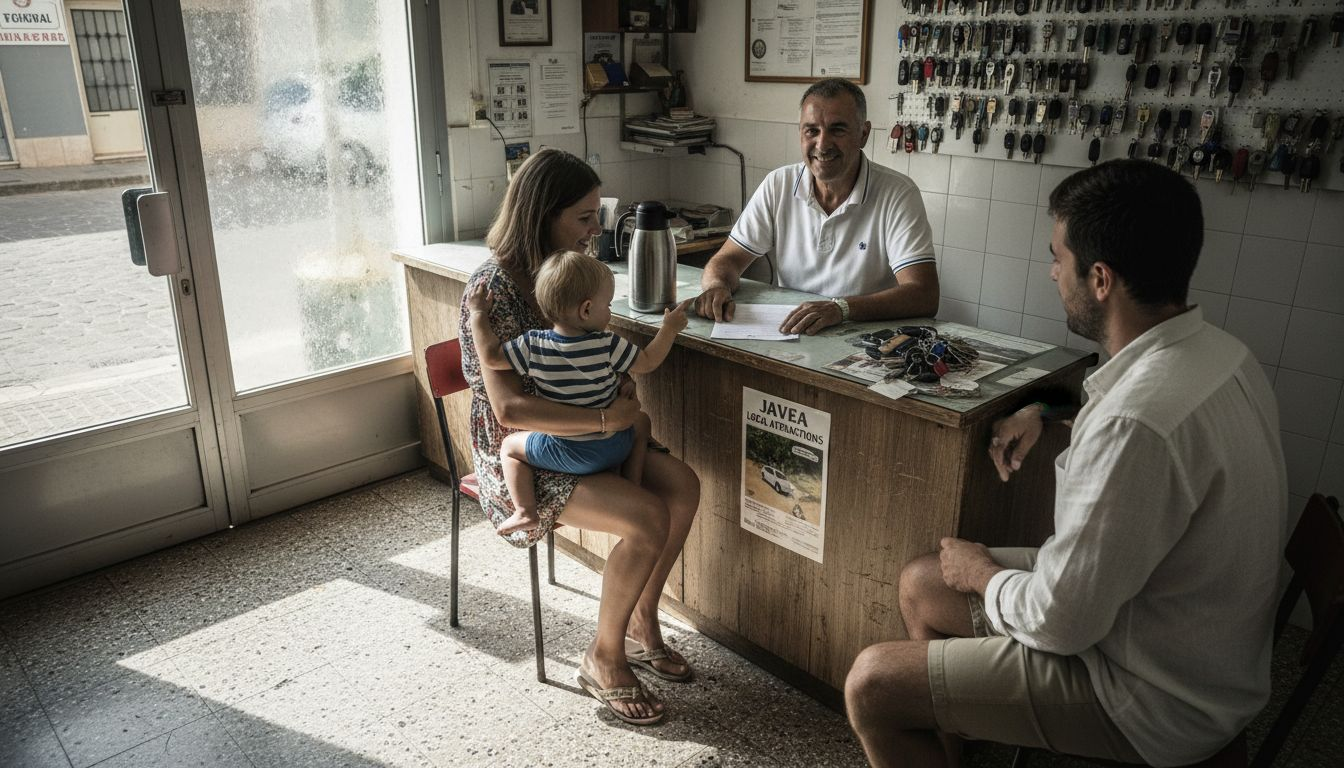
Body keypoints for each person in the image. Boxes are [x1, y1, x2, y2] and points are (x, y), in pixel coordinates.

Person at [843, 160, 1290, 767]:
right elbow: (1142, 436)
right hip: (1177, 627)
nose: (1053, 272)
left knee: (871, 684)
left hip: (1147, 695)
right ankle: (948, 735)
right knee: (923, 582)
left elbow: (1061, 623)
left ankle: (927, 711)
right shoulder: (1222, 355)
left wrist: (981, 574)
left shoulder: (1135, 425)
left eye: (1059, 257)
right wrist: (1045, 410)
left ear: (1100, 278)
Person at [460, 148, 700, 726]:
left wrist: (616, 399)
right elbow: (512, 407)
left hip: (593, 437)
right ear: (543, 214)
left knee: (684, 487)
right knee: (646, 518)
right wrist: (607, 420)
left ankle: (641, 620)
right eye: (585, 218)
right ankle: (604, 656)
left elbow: (594, 356)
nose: (596, 231)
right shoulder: (494, 287)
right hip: (522, 451)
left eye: (598, 216)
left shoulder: (575, 274)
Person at [464, 251, 690, 535]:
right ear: (586, 309)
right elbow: (647, 361)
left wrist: (478, 314)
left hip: (570, 455)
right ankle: (630, 483)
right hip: (615, 445)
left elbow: (491, 357)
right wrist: (669, 329)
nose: (609, 311)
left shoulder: (533, 346)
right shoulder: (608, 344)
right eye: (607, 304)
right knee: (641, 421)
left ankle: (525, 512)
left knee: (509, 449)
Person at [694, 78, 939, 336]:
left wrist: (840, 309)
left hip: (865, 343)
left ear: (863, 134)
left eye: (838, 130)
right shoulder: (778, 184)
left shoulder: (898, 193)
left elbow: (924, 294)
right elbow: (728, 259)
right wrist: (716, 286)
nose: (822, 145)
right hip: (792, 337)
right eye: (812, 131)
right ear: (800, 133)